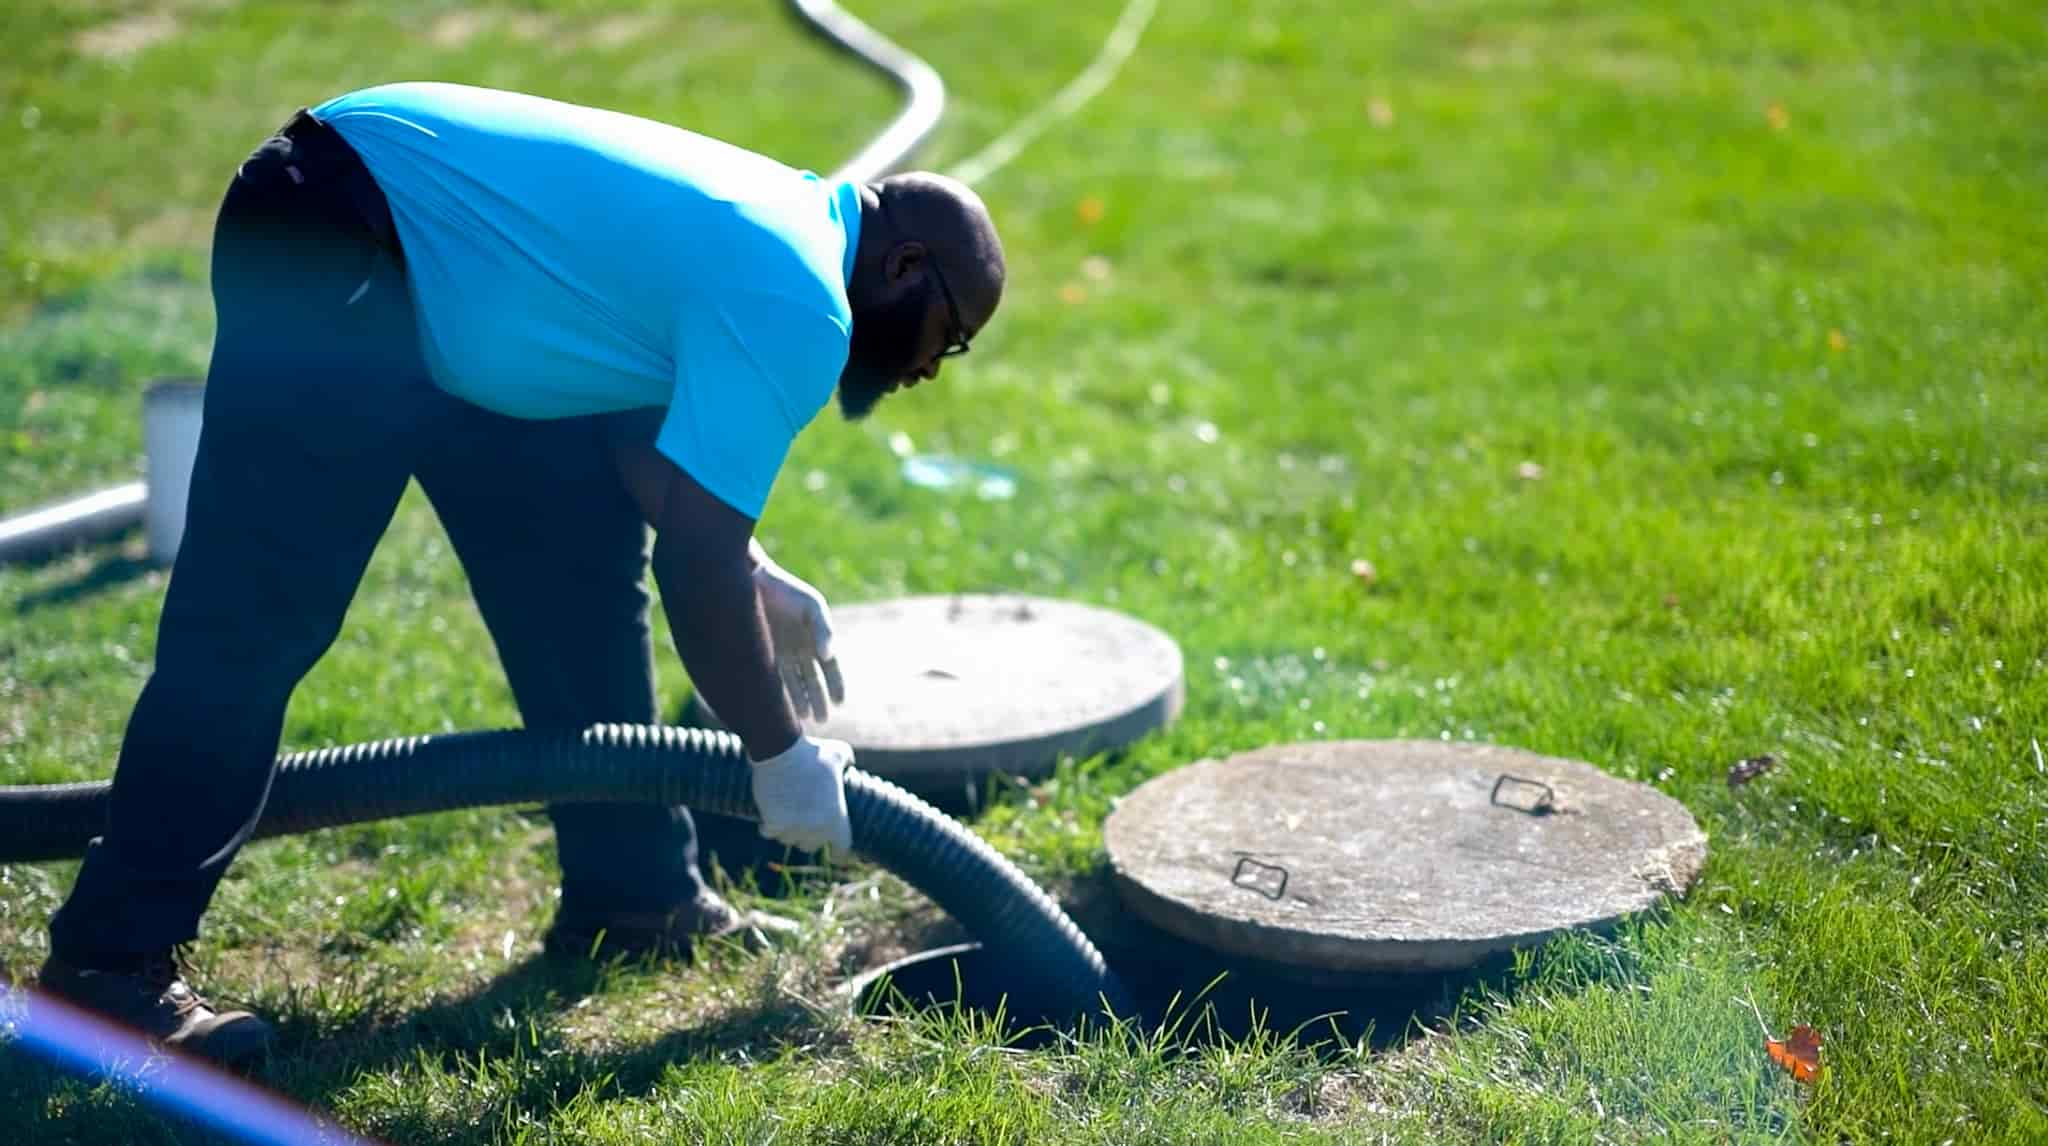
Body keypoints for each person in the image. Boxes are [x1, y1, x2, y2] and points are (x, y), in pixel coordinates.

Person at [35, 82, 1006, 1069]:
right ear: (906, 265)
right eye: (950, 335)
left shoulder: (786, 227)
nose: (933, 366)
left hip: (449, 278)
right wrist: (777, 755)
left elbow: (634, 422)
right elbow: (692, 564)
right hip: (345, 233)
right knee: (258, 616)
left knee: (577, 567)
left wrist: (751, 569)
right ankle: (109, 967)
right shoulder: (799, 294)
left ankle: (631, 897)